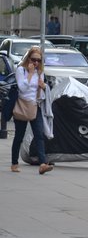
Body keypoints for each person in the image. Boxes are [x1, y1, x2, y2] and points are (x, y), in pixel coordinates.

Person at [11, 46, 51, 174]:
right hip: (22, 106)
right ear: (28, 59)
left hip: (35, 106)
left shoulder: (40, 72)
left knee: (39, 135)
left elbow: (41, 92)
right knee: (19, 136)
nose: (36, 63)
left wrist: (44, 86)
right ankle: (14, 163)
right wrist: (29, 74)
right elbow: (22, 88)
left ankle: (43, 164)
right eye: (34, 59)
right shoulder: (21, 70)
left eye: (39, 60)